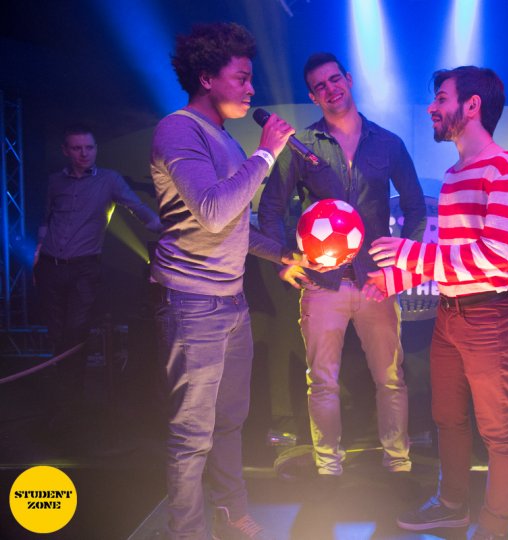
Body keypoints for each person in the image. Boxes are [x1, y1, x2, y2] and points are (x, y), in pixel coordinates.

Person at [151, 22, 299, 540]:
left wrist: (282, 253)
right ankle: (186, 532)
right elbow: (213, 211)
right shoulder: (178, 130)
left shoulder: (224, 139)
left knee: (230, 421)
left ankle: (231, 515)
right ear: (206, 78)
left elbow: (236, 225)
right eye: (242, 78)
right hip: (192, 304)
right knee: (192, 433)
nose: (251, 89)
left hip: (231, 303)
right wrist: (266, 153)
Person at [369, 66, 508, 540]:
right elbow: (453, 258)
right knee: (448, 419)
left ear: (472, 105)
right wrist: (395, 277)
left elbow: (500, 254)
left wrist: (411, 255)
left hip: (489, 316)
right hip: (450, 315)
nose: (431, 108)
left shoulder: (501, 167)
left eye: (441, 98)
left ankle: (495, 528)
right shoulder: (455, 174)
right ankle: (453, 507)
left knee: (497, 432)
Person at [258, 52, 426, 478]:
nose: (330, 89)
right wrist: (282, 259)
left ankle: (398, 464)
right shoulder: (301, 145)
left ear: (348, 80)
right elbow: (270, 207)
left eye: (335, 80)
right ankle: (327, 468)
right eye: (320, 86)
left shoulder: (387, 143)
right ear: (312, 96)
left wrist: (399, 270)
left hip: (375, 283)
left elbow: (415, 208)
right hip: (321, 283)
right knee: (322, 382)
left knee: (390, 379)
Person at [34, 124, 162, 430]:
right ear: (66, 151)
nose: (84, 154)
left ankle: (71, 404)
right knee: (58, 334)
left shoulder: (109, 180)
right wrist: (38, 252)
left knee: (75, 331)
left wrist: (169, 229)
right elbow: (46, 218)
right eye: (77, 148)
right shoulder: (55, 181)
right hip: (51, 265)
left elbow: (136, 207)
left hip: (84, 268)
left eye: (89, 148)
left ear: (96, 149)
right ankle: (65, 404)